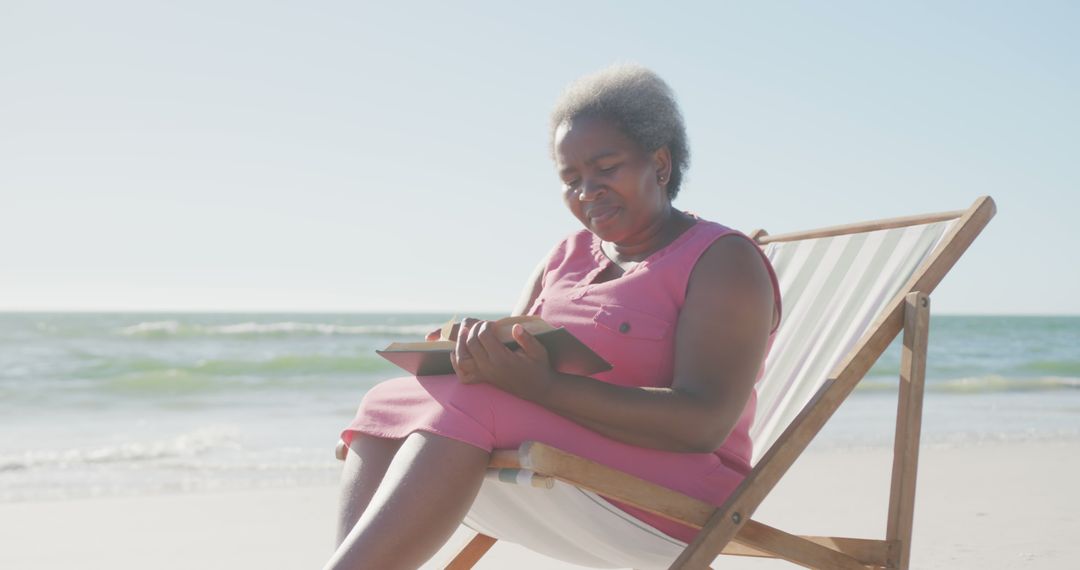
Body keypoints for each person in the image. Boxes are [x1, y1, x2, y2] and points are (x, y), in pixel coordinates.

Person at [324, 64, 781, 570]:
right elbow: (518, 355)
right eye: (571, 178)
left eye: (605, 168)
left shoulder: (722, 260)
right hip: (577, 454)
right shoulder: (567, 254)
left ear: (660, 164)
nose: (587, 190)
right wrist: (475, 352)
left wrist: (538, 386)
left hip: (679, 487)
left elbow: (703, 424)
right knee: (387, 400)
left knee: (471, 403)